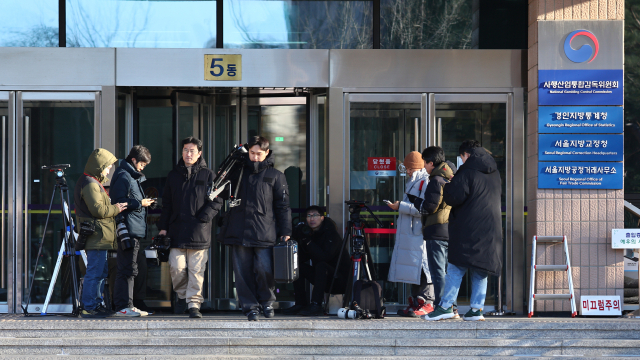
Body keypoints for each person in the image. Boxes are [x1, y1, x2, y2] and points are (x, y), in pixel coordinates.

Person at [424, 140, 502, 321]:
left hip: (468, 227)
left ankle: (445, 306)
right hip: (491, 229)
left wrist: (451, 183)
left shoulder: (467, 171)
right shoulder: (494, 172)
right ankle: (476, 309)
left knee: (455, 266)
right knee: (481, 267)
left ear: (466, 155)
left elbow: (453, 197)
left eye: (461, 157)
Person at [219, 136, 292, 321]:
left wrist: (286, 232)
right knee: (242, 272)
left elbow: (283, 206)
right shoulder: (238, 171)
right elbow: (219, 184)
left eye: (259, 154)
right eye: (252, 153)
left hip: (265, 232)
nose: (255, 157)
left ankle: (267, 301)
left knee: (264, 269)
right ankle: (250, 307)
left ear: (267, 152)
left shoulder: (275, 175)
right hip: (239, 230)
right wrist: (233, 160)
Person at [158, 137, 223, 319]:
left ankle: (194, 304)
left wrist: (204, 217)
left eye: (192, 151)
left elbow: (218, 200)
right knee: (176, 268)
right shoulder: (173, 175)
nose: (188, 154)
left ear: (199, 153)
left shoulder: (209, 175)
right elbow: (167, 204)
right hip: (176, 230)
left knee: (196, 270)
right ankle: (182, 296)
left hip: (199, 231)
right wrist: (163, 227)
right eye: (185, 150)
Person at [75, 148, 127, 318]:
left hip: (99, 236)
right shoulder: (90, 184)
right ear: (99, 166)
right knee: (95, 272)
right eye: (107, 167)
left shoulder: (91, 182)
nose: (109, 170)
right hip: (96, 236)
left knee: (100, 271)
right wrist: (116, 208)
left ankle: (95, 304)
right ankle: (89, 307)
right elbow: (98, 210)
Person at [386, 151, 434, 317]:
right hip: (412, 231)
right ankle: (416, 301)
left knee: (422, 267)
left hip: (418, 231)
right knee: (415, 268)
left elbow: (424, 209)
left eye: (409, 168)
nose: (407, 171)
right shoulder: (415, 181)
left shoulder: (424, 181)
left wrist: (400, 206)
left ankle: (427, 301)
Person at [109, 145, 155, 317]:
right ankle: (123, 306)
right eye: (142, 164)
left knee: (130, 268)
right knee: (127, 268)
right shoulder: (124, 175)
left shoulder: (130, 176)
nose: (143, 168)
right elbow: (119, 201)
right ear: (134, 160)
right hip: (128, 229)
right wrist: (140, 203)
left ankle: (127, 305)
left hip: (132, 228)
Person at [282, 206, 350, 316]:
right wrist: (299, 238)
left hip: (339, 280)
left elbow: (324, 257)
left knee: (321, 265)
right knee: (297, 266)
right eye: (308, 216)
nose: (311, 219)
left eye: (315, 215)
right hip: (323, 278)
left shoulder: (331, 234)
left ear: (322, 218)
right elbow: (303, 258)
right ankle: (300, 303)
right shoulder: (310, 234)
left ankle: (316, 304)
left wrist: (308, 242)